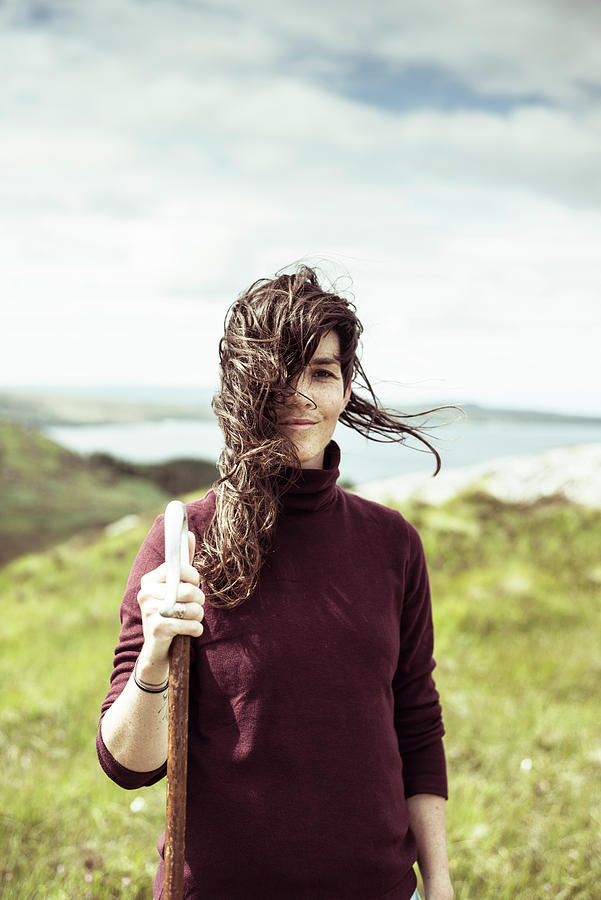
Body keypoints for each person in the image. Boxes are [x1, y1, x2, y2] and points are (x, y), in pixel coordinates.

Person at [97, 265, 453, 900]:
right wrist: (155, 652)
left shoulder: (392, 543)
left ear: (345, 389)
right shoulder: (184, 539)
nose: (300, 392)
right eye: (278, 368)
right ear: (243, 383)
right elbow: (128, 764)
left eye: (321, 371)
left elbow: (417, 724)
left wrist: (442, 885)